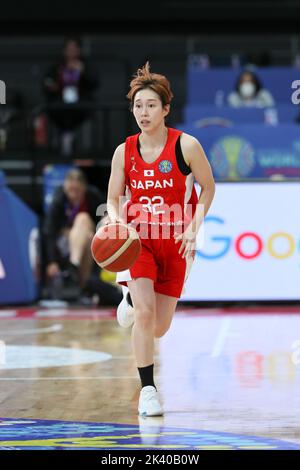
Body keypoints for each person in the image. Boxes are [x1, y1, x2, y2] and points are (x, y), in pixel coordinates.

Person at [105, 62, 215, 416]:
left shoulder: (187, 145)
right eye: (138, 106)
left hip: (177, 240)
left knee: (160, 327)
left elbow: (208, 187)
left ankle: (132, 303)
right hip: (141, 241)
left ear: (166, 109)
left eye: (151, 105)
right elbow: (112, 199)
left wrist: (194, 226)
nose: (143, 112)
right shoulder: (125, 151)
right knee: (147, 316)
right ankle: (148, 389)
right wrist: (121, 225)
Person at [44, 168, 105, 300]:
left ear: (84, 187)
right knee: (83, 219)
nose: (74, 194)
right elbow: (49, 232)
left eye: (77, 190)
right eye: (71, 190)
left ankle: (79, 278)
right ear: (65, 187)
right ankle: (83, 284)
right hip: (63, 243)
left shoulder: (94, 197)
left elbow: (105, 218)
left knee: (87, 234)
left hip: (91, 242)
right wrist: (51, 261)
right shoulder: (58, 199)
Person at [43, 37, 98, 155]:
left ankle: (78, 147)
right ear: (64, 51)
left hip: (80, 104)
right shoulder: (57, 66)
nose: (71, 52)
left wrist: (83, 72)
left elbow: (94, 83)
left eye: (74, 49)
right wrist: (54, 84)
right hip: (60, 105)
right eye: (69, 49)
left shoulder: (84, 65)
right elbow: (47, 83)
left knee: (82, 112)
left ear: (79, 51)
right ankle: (61, 144)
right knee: (57, 112)